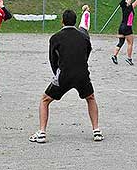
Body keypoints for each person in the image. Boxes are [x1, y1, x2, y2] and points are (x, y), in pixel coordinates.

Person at [29, 10, 103, 143]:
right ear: (75, 22)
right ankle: (96, 130)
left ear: (62, 21)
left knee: (45, 100)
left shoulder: (55, 38)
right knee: (90, 98)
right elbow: (87, 53)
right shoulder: (84, 37)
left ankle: (42, 132)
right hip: (82, 74)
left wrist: (57, 74)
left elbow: (52, 59)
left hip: (64, 75)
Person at [111, 0, 137, 66]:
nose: (128, 0)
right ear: (126, 3)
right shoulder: (128, 7)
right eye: (127, 0)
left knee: (121, 42)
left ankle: (114, 56)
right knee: (130, 43)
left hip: (121, 27)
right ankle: (129, 58)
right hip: (127, 27)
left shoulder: (127, 8)